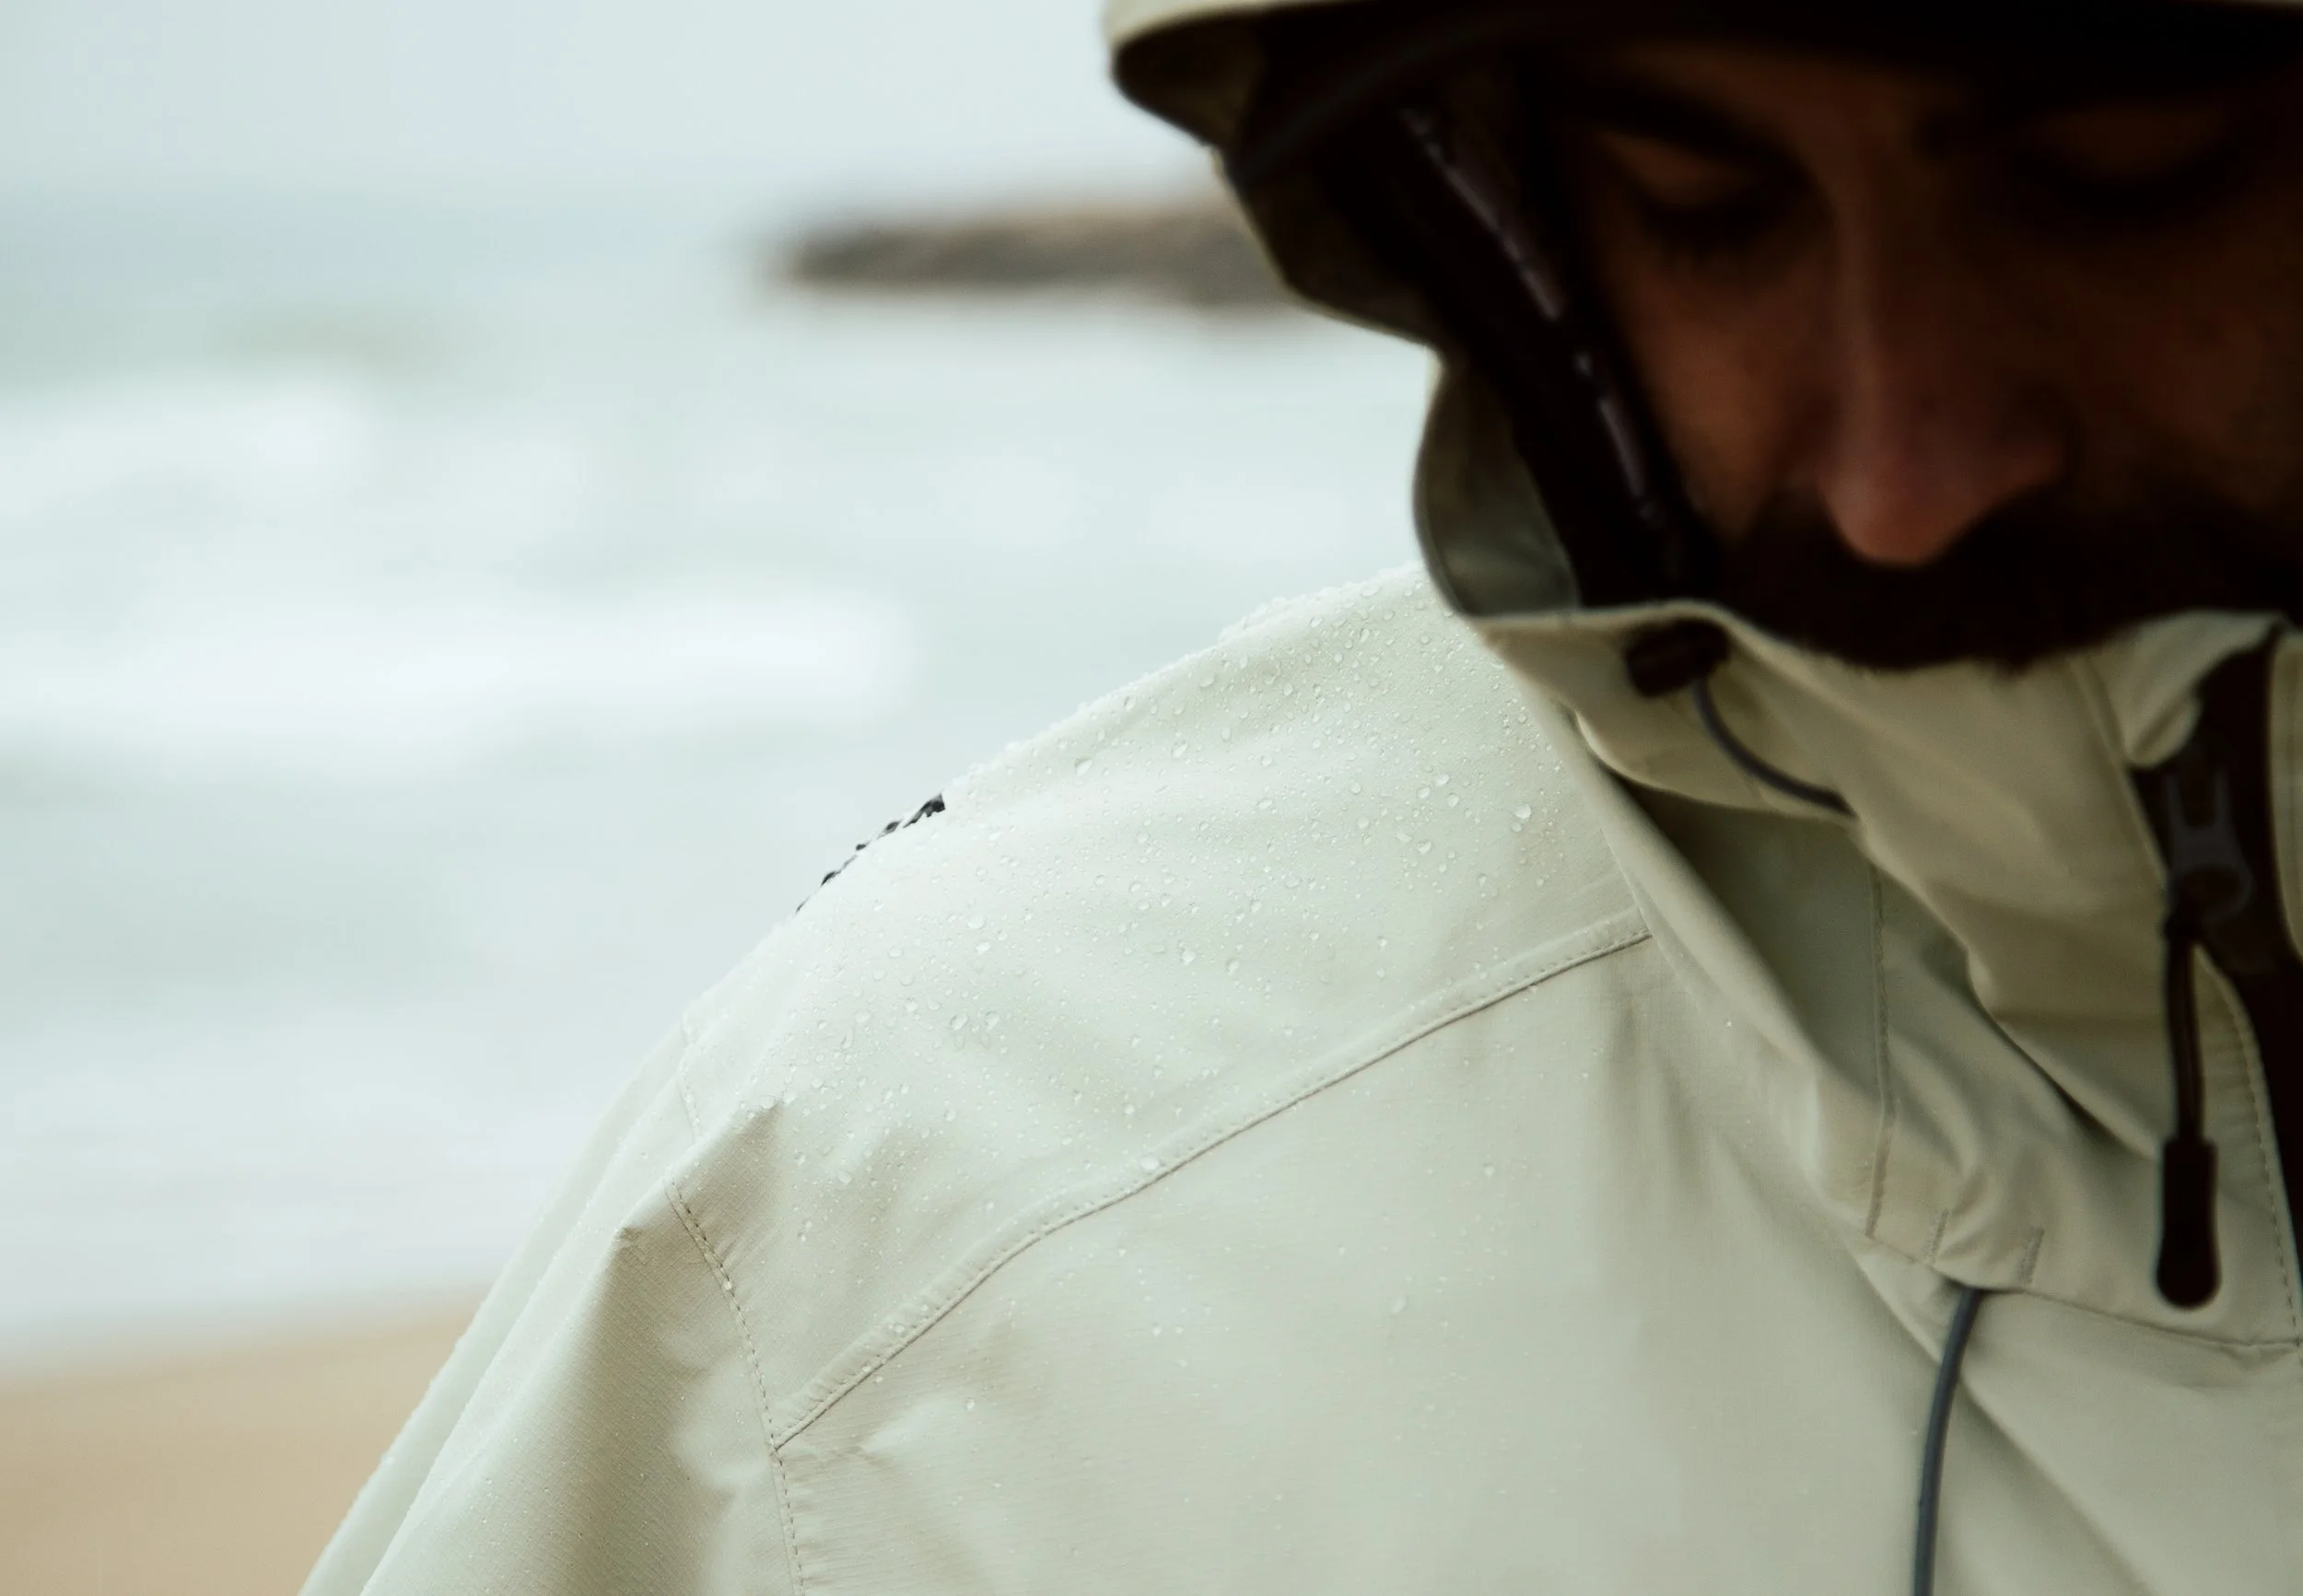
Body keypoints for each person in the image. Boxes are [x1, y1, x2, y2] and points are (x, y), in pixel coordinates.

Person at [305, 1, 2303, 1590]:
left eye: (2113, 170)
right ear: (1501, 217)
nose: (1901, 468)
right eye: (1702, 196)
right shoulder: (903, 1231)